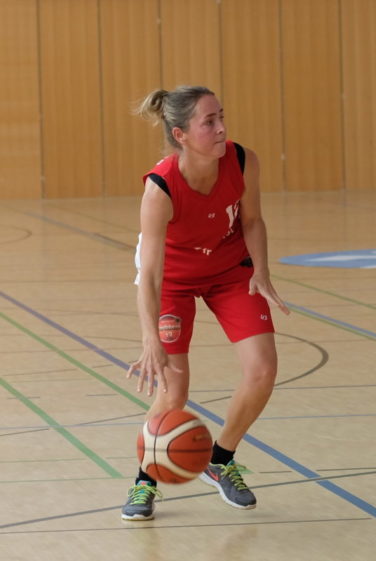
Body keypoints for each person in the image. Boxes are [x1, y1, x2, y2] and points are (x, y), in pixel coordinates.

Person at [122, 86, 290, 521]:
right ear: (181, 134)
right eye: (209, 122)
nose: (221, 128)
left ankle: (221, 460)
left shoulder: (241, 160)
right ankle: (144, 481)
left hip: (229, 269)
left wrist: (262, 271)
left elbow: (252, 219)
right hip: (174, 280)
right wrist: (149, 338)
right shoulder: (160, 187)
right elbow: (152, 273)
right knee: (173, 391)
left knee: (263, 370)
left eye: (221, 117)